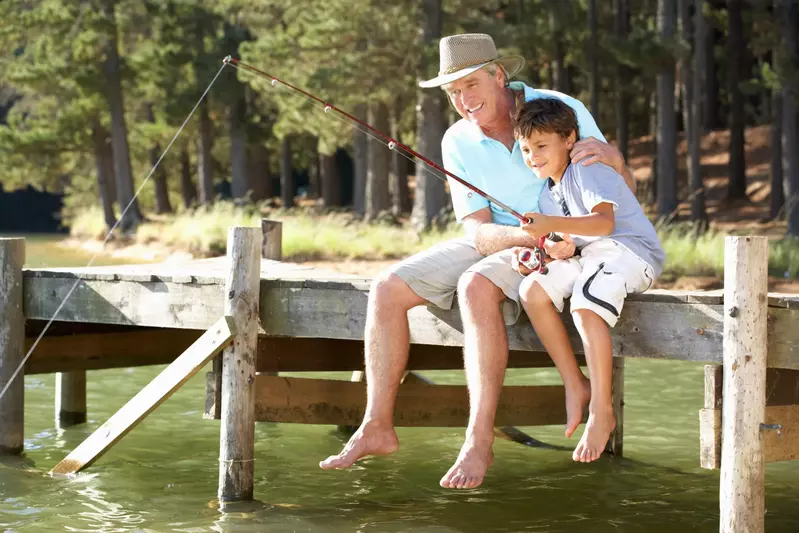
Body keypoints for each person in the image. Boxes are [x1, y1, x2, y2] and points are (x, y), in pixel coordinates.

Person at [319, 33, 634, 489]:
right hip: (508, 236)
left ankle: (478, 440)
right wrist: (524, 235)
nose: (464, 100)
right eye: (454, 92)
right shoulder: (457, 140)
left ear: (499, 75)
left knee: (474, 286)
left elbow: (610, 181)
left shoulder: (560, 108)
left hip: (570, 235)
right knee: (387, 287)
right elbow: (477, 229)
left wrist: (613, 161)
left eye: (471, 84)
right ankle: (376, 426)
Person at [511, 97, 665, 463]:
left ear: (569, 139)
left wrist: (553, 226)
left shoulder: (587, 168)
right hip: (596, 256)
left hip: (631, 252)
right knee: (532, 290)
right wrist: (554, 248)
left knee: (584, 304)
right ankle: (573, 382)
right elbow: (574, 240)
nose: (533, 156)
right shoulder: (548, 193)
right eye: (526, 149)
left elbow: (603, 224)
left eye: (541, 146)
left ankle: (601, 409)